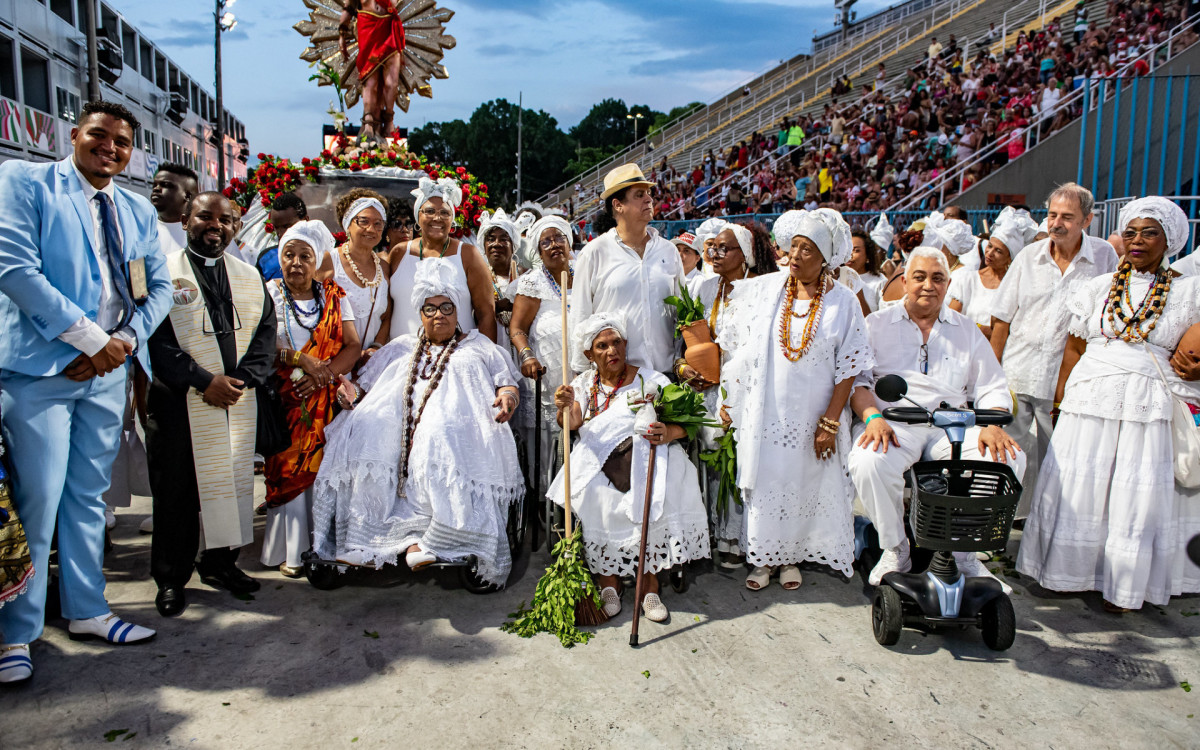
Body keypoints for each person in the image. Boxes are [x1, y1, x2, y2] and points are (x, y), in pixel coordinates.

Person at [0, 101, 173, 682]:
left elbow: (158, 288)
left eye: (122, 142)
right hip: (41, 374)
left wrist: (122, 342)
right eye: (99, 135)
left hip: (107, 373)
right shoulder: (26, 182)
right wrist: (90, 341)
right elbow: (15, 270)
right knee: (38, 499)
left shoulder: (137, 208)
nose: (110, 148)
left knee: (89, 499)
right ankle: (15, 634)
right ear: (75, 135)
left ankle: (87, 610)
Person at [1017, 197, 1200, 612]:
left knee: (1132, 497)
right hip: (1088, 401)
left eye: (1149, 233)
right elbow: (1073, 349)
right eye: (1130, 232)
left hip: (1144, 405)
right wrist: (1061, 400)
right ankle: (1069, 573)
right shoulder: (1097, 288)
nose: (1137, 241)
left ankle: (1124, 586)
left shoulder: (1189, 292)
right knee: (1081, 487)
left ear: (1169, 240)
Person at [313, 259, 524, 585]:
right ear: (420, 314)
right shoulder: (400, 346)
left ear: (457, 312)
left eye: (446, 307)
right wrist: (351, 395)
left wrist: (508, 397)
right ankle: (366, 540)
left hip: (458, 423)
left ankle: (430, 540)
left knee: (436, 435)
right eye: (430, 309)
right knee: (368, 427)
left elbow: (506, 382)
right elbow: (364, 385)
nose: (439, 315)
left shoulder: (479, 345)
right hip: (397, 423)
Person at [848, 247, 1026, 588]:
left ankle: (964, 555)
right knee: (869, 461)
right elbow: (859, 382)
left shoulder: (966, 329)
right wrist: (872, 418)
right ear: (904, 282)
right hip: (895, 423)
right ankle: (895, 548)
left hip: (954, 426)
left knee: (1008, 458)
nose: (928, 285)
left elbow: (991, 384)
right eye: (919, 277)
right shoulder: (876, 324)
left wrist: (992, 423)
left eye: (938, 278)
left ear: (948, 284)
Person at [719, 210, 873, 591]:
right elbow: (739, 345)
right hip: (768, 413)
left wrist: (830, 421)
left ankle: (790, 558)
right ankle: (762, 559)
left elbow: (849, 367)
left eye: (808, 250)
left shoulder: (843, 302)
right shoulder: (769, 291)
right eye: (795, 247)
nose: (796, 256)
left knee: (805, 483)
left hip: (815, 416)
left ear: (825, 259)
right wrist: (732, 398)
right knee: (767, 482)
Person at [146, 193, 276, 617]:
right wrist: (205, 382)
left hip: (235, 400)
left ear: (236, 227)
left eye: (226, 219)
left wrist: (240, 382)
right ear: (186, 220)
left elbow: (265, 336)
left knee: (234, 484)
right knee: (177, 493)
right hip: (179, 402)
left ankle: (220, 564)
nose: (216, 225)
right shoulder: (161, 272)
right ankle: (171, 578)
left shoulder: (249, 276)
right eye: (205, 216)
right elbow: (155, 339)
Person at [550, 314, 710, 622]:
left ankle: (649, 585)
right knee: (597, 494)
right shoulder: (582, 385)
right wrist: (564, 407)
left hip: (652, 454)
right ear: (589, 354)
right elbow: (573, 424)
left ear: (626, 345)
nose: (612, 350)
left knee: (659, 488)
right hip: (600, 461)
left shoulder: (653, 380)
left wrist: (669, 432)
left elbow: (688, 424)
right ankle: (609, 583)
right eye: (602, 346)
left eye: (616, 343)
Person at [990, 184, 1119, 516]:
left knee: (1059, 459)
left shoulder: (1104, 257)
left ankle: (1046, 527)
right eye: (1052, 215)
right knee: (1008, 455)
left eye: (1067, 217)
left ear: (1087, 220)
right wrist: (991, 375)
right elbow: (1001, 319)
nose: (1056, 223)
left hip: (1065, 383)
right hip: (1017, 374)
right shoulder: (1029, 257)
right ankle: (1004, 521)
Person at [262, 221, 362, 576]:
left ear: (316, 260)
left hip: (325, 400)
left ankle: (322, 546)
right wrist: (298, 359)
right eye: (289, 255)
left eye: (305, 256)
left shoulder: (334, 296)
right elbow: (258, 344)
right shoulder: (268, 294)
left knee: (323, 470)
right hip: (285, 399)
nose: (296, 263)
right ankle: (290, 550)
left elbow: (353, 346)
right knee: (286, 468)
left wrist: (325, 374)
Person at [686, 221, 777, 567]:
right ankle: (719, 530)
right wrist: (686, 369)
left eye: (724, 248)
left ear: (747, 254)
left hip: (750, 389)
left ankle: (742, 536)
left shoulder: (762, 290)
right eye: (712, 248)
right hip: (710, 387)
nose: (714, 254)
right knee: (713, 453)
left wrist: (734, 394)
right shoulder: (705, 289)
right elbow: (690, 340)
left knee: (743, 459)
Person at [571, 165, 685, 375]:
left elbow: (682, 313)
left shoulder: (669, 251)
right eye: (639, 195)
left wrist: (682, 362)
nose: (649, 199)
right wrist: (581, 375)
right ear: (618, 205)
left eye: (648, 193)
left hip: (666, 375)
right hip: (616, 379)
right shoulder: (594, 253)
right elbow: (581, 317)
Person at [509, 215, 575, 488]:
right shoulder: (533, 283)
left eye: (559, 238)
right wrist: (527, 355)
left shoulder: (585, 274)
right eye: (546, 242)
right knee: (549, 454)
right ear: (538, 251)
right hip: (546, 382)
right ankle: (546, 502)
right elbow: (517, 328)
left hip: (582, 378)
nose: (554, 245)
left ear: (570, 243)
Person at [388, 177, 497, 342]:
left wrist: (486, 353)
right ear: (418, 216)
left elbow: (486, 314)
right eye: (430, 211)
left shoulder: (468, 255)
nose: (437, 218)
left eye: (445, 213)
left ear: (452, 219)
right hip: (401, 355)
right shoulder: (399, 253)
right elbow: (385, 312)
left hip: (457, 354)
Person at [320, 190, 392, 362]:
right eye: (363, 221)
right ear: (348, 225)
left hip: (370, 364)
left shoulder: (384, 267)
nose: (371, 229)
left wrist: (376, 347)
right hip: (333, 361)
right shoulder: (329, 261)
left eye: (378, 224)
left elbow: (386, 316)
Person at [949, 207, 1037, 338]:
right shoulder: (968, 280)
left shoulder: (1016, 287)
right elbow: (950, 319)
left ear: (1010, 258)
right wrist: (979, 328)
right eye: (989, 246)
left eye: (998, 251)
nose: (990, 253)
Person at [337, 0, 404, 141]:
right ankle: (368, 122)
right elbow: (348, 8)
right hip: (368, 28)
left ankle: (389, 119)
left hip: (388, 29)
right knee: (370, 81)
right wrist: (342, 35)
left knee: (391, 83)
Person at [478, 208, 521, 342]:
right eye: (490, 239)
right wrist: (496, 307)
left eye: (503, 239)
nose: (496, 244)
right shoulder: (477, 277)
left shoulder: (526, 275)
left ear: (513, 246)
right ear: (484, 246)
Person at [257, 193, 308, 282]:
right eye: (276, 227)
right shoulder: (266, 258)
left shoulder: (323, 256)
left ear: (305, 220)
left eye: (287, 226)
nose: (281, 233)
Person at [149, 163, 197, 255]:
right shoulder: (142, 229)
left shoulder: (202, 232)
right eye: (154, 185)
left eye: (165, 185)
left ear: (187, 196)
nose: (156, 189)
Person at [849, 229, 886, 313]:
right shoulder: (836, 279)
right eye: (848, 250)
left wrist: (859, 294)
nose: (850, 255)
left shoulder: (880, 282)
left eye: (856, 250)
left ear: (868, 255)